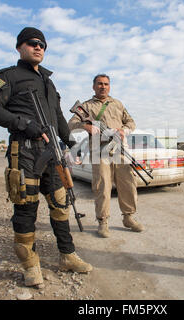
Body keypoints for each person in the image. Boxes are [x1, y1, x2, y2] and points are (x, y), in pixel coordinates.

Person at [0, 27, 92, 288]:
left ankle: (67, 255)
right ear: (20, 46)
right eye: (33, 43)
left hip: (52, 153)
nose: (39, 47)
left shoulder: (48, 81)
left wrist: (71, 143)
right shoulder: (8, 76)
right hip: (26, 152)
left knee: (61, 204)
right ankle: (31, 266)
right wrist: (22, 123)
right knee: (26, 207)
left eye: (43, 44)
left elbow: (59, 118)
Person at [68, 74, 145, 238]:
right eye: (100, 84)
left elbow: (131, 122)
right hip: (99, 149)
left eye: (106, 84)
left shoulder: (117, 103)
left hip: (119, 148)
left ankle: (128, 217)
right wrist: (85, 126)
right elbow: (71, 124)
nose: (103, 86)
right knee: (102, 186)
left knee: (128, 183)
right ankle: (103, 221)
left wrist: (123, 131)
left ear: (109, 86)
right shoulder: (86, 106)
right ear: (94, 86)